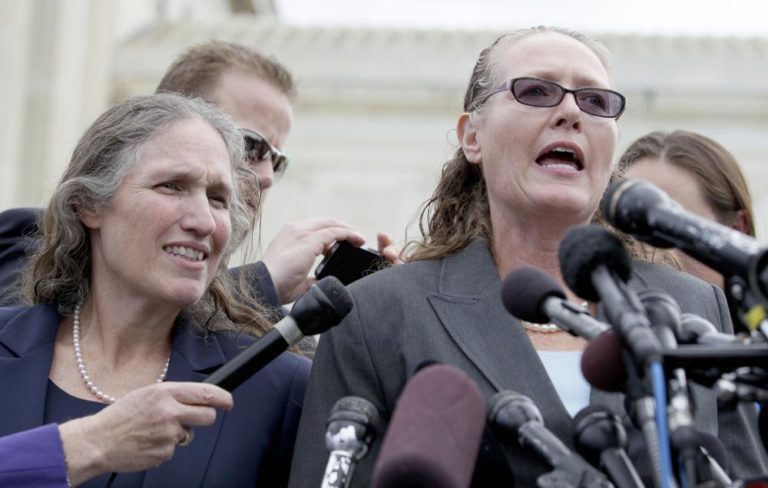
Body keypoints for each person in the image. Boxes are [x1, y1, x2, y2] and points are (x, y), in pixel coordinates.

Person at [288, 26, 767, 487]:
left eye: (595, 101)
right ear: (472, 136)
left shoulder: (694, 307)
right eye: (536, 92)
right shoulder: (379, 314)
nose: (570, 113)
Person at [0, 93, 310, 487]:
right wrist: (85, 446)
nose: (203, 221)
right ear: (88, 205)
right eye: (172, 186)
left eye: (217, 199)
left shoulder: (279, 389)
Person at [0, 40, 400, 313]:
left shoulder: (261, 319)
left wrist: (385, 317)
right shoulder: (27, 241)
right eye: (251, 145)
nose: (265, 177)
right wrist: (261, 284)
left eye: (276, 161)